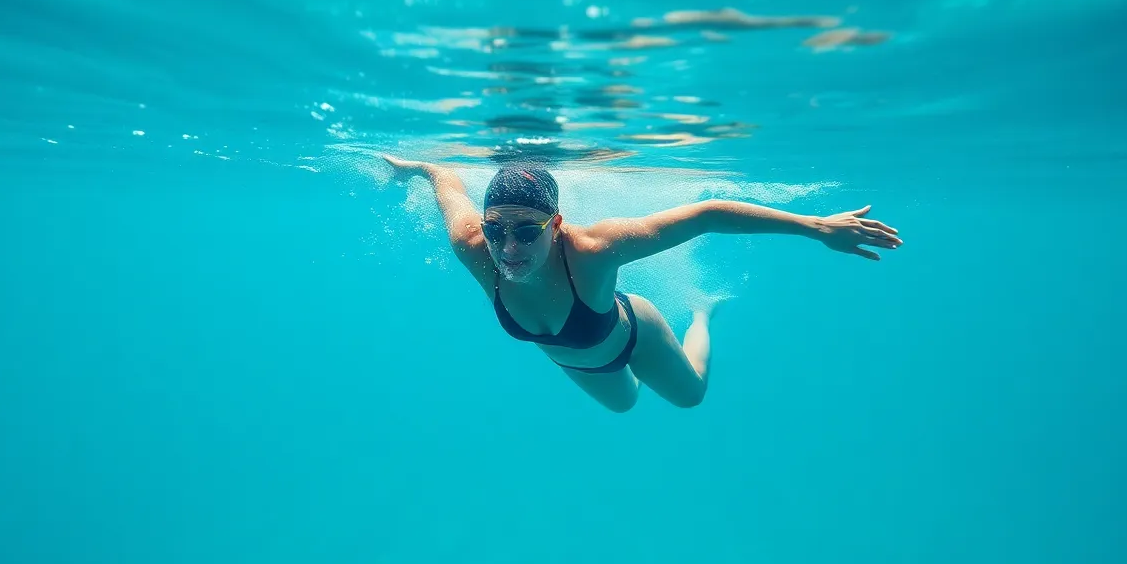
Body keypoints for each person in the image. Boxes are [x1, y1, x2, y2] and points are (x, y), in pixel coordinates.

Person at [380, 154, 902, 413]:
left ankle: (701, 313)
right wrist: (418, 168)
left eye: (525, 231)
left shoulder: (592, 250)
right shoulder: (476, 249)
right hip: (575, 355)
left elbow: (709, 213)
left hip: (634, 332)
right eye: (496, 230)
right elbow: (445, 179)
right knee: (625, 406)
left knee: (690, 396)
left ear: (556, 225)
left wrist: (817, 228)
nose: (508, 248)